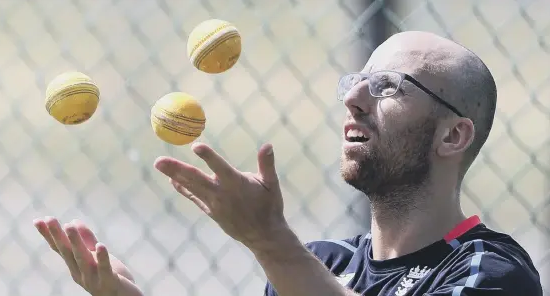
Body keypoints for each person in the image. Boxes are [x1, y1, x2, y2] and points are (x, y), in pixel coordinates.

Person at [33, 31, 543, 296]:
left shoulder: (491, 273)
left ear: (453, 135)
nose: (355, 98)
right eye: (355, 82)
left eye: (389, 87)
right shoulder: (325, 265)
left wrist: (269, 240)